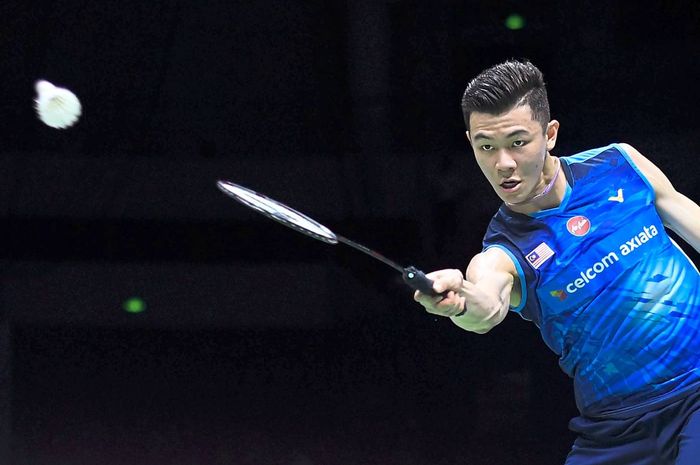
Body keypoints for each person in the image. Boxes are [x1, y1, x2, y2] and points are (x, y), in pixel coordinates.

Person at [414, 59, 700, 464]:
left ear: (549, 134)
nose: (503, 164)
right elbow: (486, 307)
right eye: (486, 147)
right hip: (614, 430)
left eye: (517, 142)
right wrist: (460, 299)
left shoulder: (619, 165)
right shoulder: (502, 250)